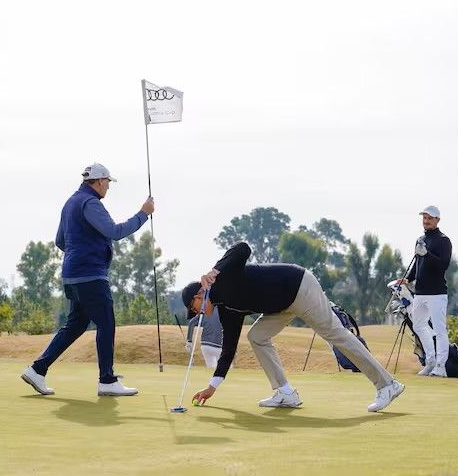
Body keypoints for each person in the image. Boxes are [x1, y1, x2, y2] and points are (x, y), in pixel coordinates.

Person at [182, 242, 405, 412]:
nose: (198, 313)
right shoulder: (228, 310)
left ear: (200, 294)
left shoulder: (223, 275)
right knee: (256, 336)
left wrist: (215, 269)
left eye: (195, 307)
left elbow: (243, 248)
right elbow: (228, 349)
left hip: (299, 286)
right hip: (282, 306)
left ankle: (387, 384)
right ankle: (285, 392)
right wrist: (212, 386)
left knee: (336, 334)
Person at [21, 163, 154, 396]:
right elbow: (115, 232)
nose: (108, 188)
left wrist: (80, 250)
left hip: (73, 274)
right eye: (108, 183)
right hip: (90, 274)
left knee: (76, 325)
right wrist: (143, 213)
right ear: (100, 181)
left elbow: (60, 241)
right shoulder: (90, 203)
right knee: (106, 323)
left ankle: (37, 369)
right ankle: (107, 380)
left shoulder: (71, 202)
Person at [400, 205, 453, 377]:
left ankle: (441, 366)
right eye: (424, 218)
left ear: (437, 219)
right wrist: (408, 278)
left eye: (429, 218)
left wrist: (427, 254)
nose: (426, 220)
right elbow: (418, 264)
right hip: (420, 292)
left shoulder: (444, 241)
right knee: (419, 325)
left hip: (437, 292)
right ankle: (430, 361)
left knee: (439, 329)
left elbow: (443, 265)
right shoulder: (420, 240)